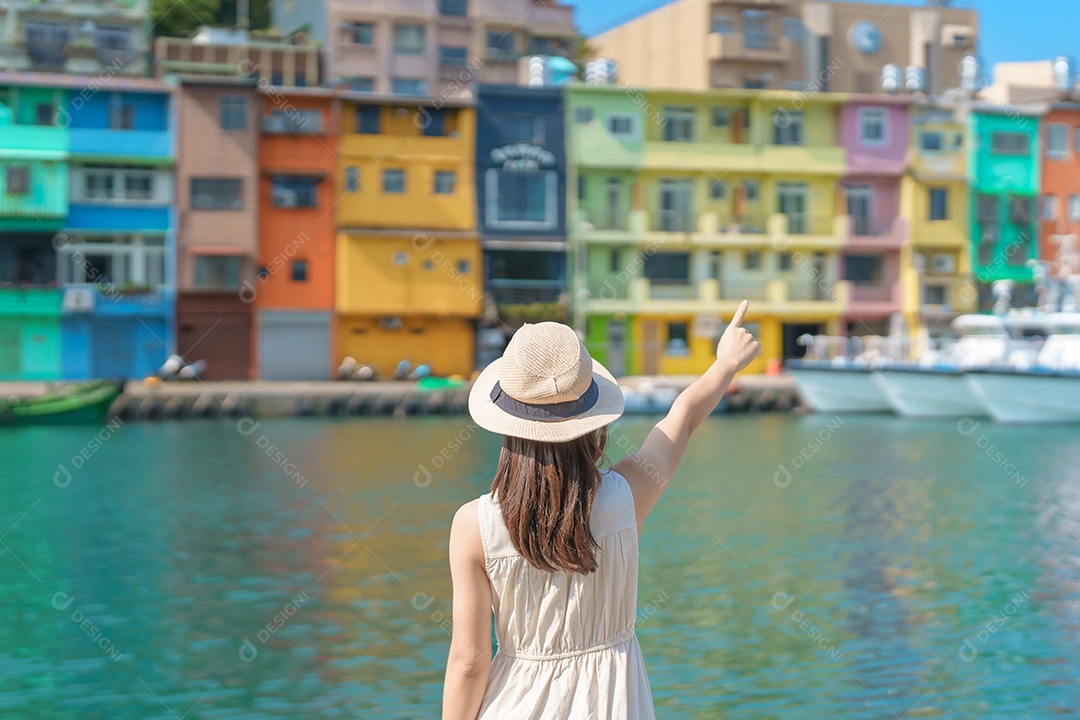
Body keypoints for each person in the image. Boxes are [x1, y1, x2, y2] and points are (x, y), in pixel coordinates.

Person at [443, 300, 762, 719]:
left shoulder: (473, 524)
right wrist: (727, 362)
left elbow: (469, 663)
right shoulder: (627, 495)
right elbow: (681, 418)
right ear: (592, 418)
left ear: (507, 421)